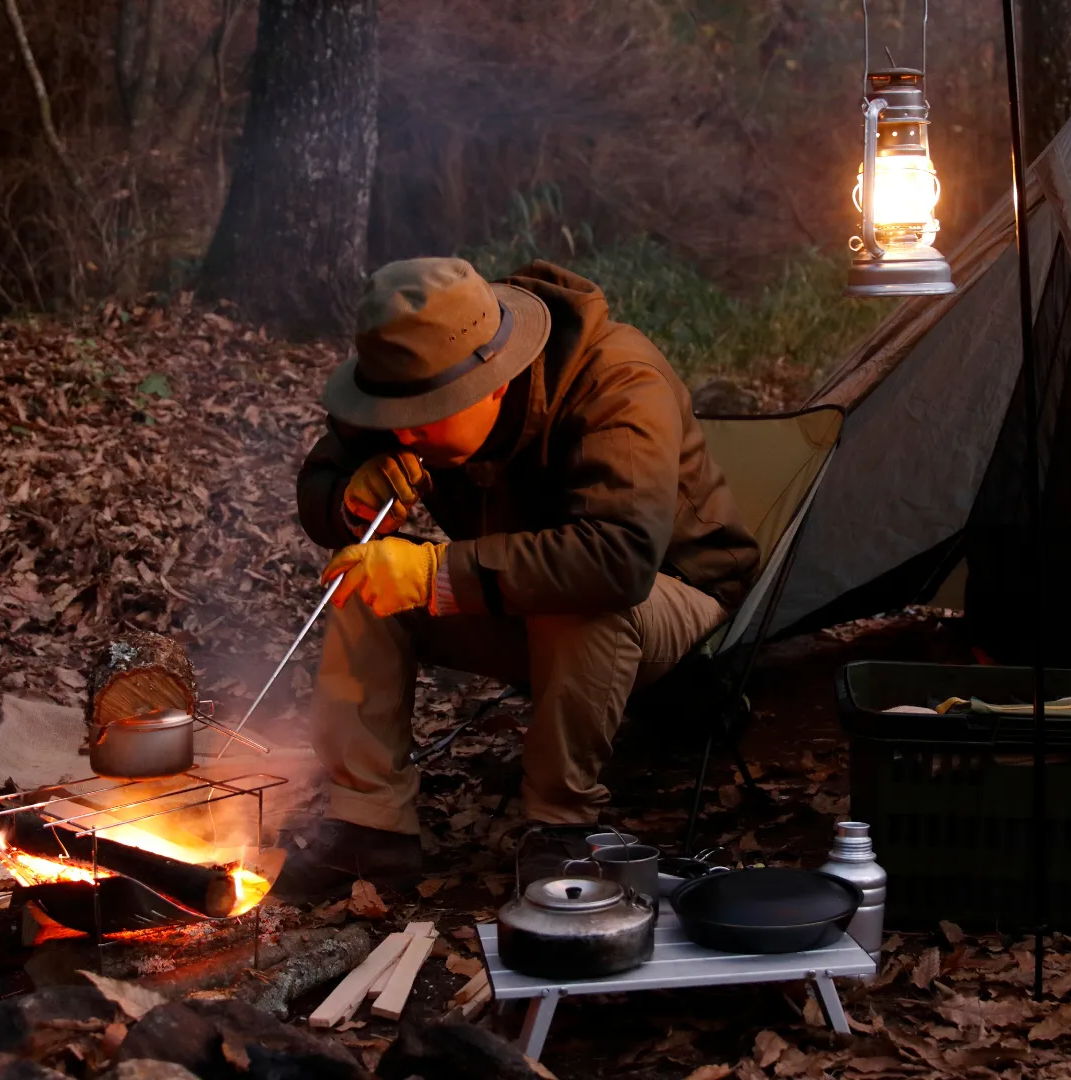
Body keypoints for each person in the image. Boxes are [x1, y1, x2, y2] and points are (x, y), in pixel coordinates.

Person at [274, 256, 758, 901]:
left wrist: (433, 571)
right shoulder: (407, 369)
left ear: (495, 381)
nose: (404, 432)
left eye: (427, 414)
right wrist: (350, 501)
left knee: (575, 602)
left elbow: (616, 559)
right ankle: (372, 827)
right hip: (522, 591)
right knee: (365, 583)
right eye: (393, 415)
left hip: (672, 595)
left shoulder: (616, 380)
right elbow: (324, 483)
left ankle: (560, 828)